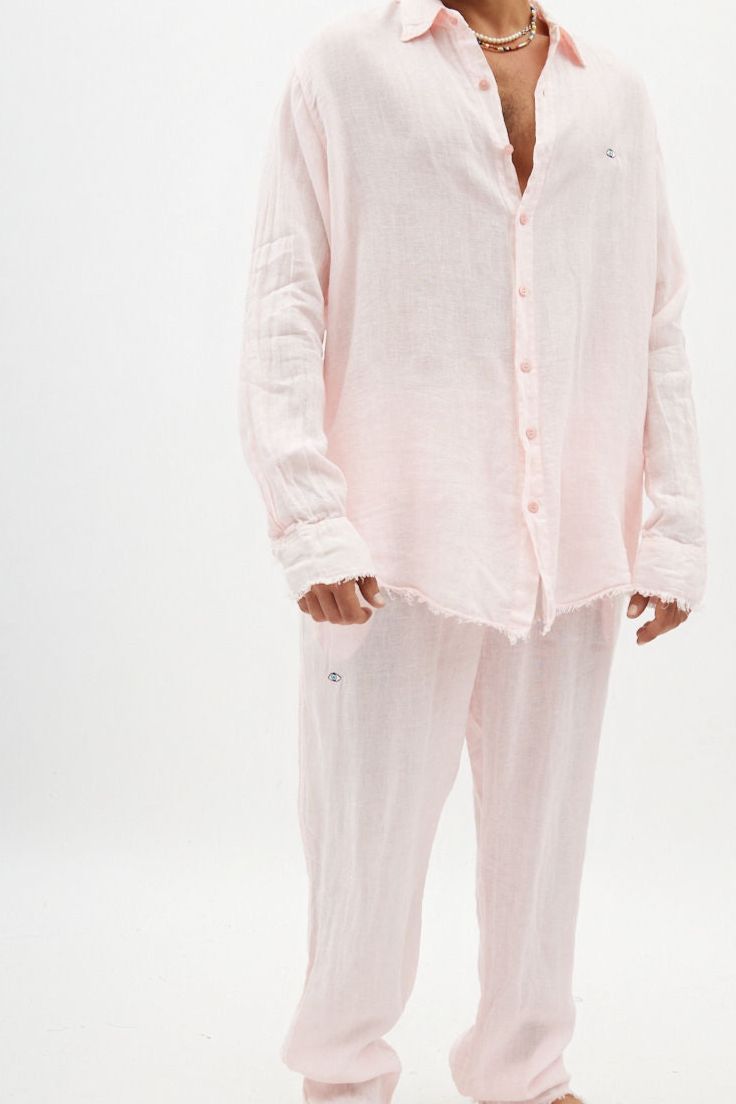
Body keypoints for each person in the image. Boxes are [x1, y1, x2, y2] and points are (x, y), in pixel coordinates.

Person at [238, 2, 707, 1102]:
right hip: (391, 540)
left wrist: (675, 526)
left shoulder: (615, 93)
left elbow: (657, 316)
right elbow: (283, 298)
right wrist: (308, 516)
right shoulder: (342, 72)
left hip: (571, 539)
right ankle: (343, 1076)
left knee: (545, 842)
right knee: (365, 843)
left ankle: (522, 1072)